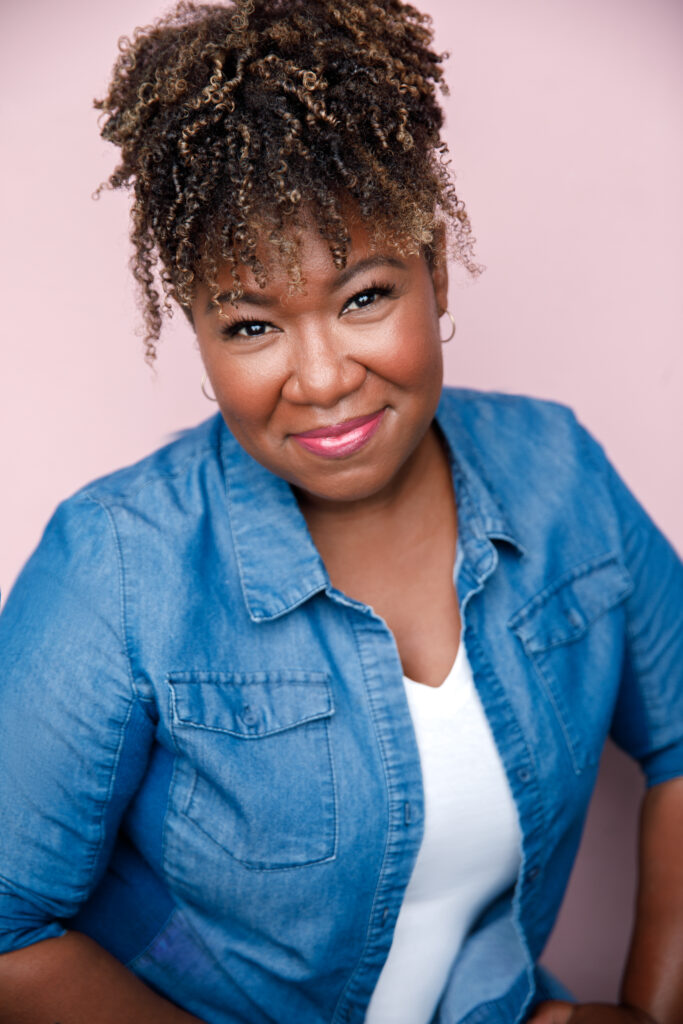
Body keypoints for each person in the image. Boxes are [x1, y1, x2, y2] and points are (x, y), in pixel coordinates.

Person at [0, 0, 681, 1021]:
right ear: (195, 330)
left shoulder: (559, 473)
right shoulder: (116, 566)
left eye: (363, 295)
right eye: (251, 322)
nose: (319, 378)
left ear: (434, 269)